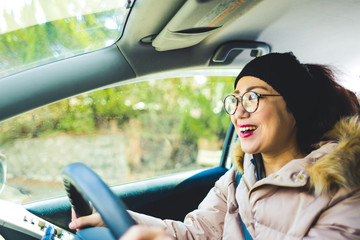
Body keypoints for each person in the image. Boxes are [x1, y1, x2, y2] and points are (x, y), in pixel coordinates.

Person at [69, 52, 360, 239]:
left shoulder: (344, 188)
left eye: (253, 97)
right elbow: (195, 234)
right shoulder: (235, 180)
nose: (239, 112)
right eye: (235, 100)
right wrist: (116, 220)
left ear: (294, 108)